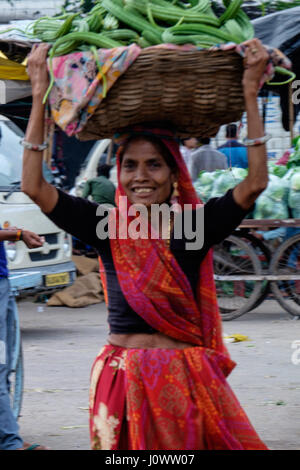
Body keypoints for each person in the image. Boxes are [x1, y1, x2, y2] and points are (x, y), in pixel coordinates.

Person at [22, 39, 269, 450]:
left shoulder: (196, 225)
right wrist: (37, 94)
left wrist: (249, 93)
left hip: (184, 379)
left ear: (175, 175)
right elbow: (33, 186)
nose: (141, 176)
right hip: (122, 378)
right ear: (118, 174)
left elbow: (255, 183)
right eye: (130, 165)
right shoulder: (104, 225)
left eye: (154, 164)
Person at [0, 226, 47, 450]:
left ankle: (8, 436)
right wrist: (16, 235)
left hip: (3, 283)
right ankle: (10, 442)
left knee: (6, 365)